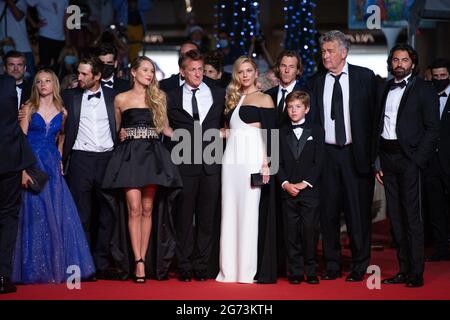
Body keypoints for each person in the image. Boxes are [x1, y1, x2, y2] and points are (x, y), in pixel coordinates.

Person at [102, 56, 182, 283]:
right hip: (129, 157)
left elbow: (165, 129)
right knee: (134, 209)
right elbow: (115, 130)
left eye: (152, 71)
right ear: (133, 72)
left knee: (148, 209)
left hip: (152, 155)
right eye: (145, 70)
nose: (150, 74)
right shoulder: (120, 98)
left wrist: (195, 137)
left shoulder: (158, 97)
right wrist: (120, 134)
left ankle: (144, 259)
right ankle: (137, 261)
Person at [12, 69, 95, 284]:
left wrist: (58, 157)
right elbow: (21, 140)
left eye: (47, 81)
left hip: (51, 164)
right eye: (39, 81)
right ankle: (34, 269)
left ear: (54, 84)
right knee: (34, 212)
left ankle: (56, 268)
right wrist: (22, 170)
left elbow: (62, 135)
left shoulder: (63, 111)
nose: (43, 85)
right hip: (32, 162)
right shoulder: (28, 108)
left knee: (57, 214)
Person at [309, 30, 377, 282]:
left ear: (343, 52)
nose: (325, 56)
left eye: (330, 51)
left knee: (357, 213)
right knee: (328, 214)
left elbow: (374, 119)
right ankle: (333, 264)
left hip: (355, 155)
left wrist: (374, 158)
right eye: (323, 52)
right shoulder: (315, 81)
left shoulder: (365, 77)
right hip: (325, 156)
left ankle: (360, 265)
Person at [375, 44, 440, 287]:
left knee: (412, 217)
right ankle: (403, 269)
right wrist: (378, 161)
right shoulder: (385, 87)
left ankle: (416, 272)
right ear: (390, 63)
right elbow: (378, 126)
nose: (399, 64)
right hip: (387, 159)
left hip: (410, 159)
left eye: (404, 60)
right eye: (395, 60)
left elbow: (433, 128)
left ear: (412, 63)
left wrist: (417, 160)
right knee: (397, 218)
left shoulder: (424, 89)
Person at [61, 55, 125, 280]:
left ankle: (102, 263)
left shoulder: (113, 96)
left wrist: (123, 133)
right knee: (82, 215)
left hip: (108, 159)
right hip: (80, 159)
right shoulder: (69, 96)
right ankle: (83, 263)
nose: (78, 77)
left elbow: (124, 121)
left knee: (108, 214)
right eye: (78, 72)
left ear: (97, 76)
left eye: (84, 74)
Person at [216, 56, 277, 284]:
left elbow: (271, 135)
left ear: (255, 72)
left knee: (250, 213)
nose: (245, 75)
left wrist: (268, 163)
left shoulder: (264, 99)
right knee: (229, 211)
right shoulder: (231, 99)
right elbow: (228, 132)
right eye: (240, 71)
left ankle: (246, 271)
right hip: (230, 161)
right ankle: (228, 270)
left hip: (253, 161)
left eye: (249, 70)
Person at [166, 50, 225, 282]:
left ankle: (202, 266)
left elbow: (227, 122)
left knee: (207, 218)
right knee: (183, 218)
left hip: (211, 164)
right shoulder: (170, 96)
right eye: (193, 69)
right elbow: (163, 124)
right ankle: (184, 265)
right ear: (183, 71)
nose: (198, 73)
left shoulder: (218, 94)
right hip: (183, 164)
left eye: (201, 69)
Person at [278, 91, 324, 285]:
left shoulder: (317, 130)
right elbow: (276, 162)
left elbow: (319, 161)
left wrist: (305, 183)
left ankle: (311, 269)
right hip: (288, 190)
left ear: (307, 108)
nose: (293, 110)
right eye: (290, 107)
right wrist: (286, 183)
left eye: (297, 107)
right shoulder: (280, 131)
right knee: (291, 232)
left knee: (309, 230)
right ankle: (295, 271)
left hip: (310, 191)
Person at [0, 74, 35, 294]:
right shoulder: (6, 83)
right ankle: (3, 276)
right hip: (10, 157)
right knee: (8, 216)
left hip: (11, 159)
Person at [424, 58, 450, 262]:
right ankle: (441, 248)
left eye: (443, 76)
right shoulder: (427, 96)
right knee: (436, 207)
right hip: (431, 163)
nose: (439, 79)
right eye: (436, 76)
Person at [265, 50, 309, 127]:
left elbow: (310, 127)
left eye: (291, 67)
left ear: (298, 70)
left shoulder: (307, 95)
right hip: (271, 138)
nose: (287, 70)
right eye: (283, 66)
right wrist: (272, 139)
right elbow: (265, 126)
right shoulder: (267, 95)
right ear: (278, 68)